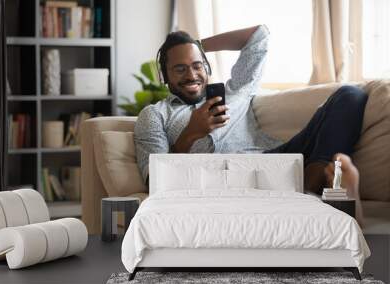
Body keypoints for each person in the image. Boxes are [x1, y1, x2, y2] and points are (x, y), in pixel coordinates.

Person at [134, 25, 367, 224]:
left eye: (197, 65)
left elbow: (259, 34)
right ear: (164, 76)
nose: (192, 74)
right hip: (229, 182)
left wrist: (196, 45)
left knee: (350, 95)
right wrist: (191, 134)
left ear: (206, 66)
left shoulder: (236, 91)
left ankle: (316, 178)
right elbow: (156, 180)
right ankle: (319, 188)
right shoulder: (155, 115)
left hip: (276, 159)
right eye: (180, 68)